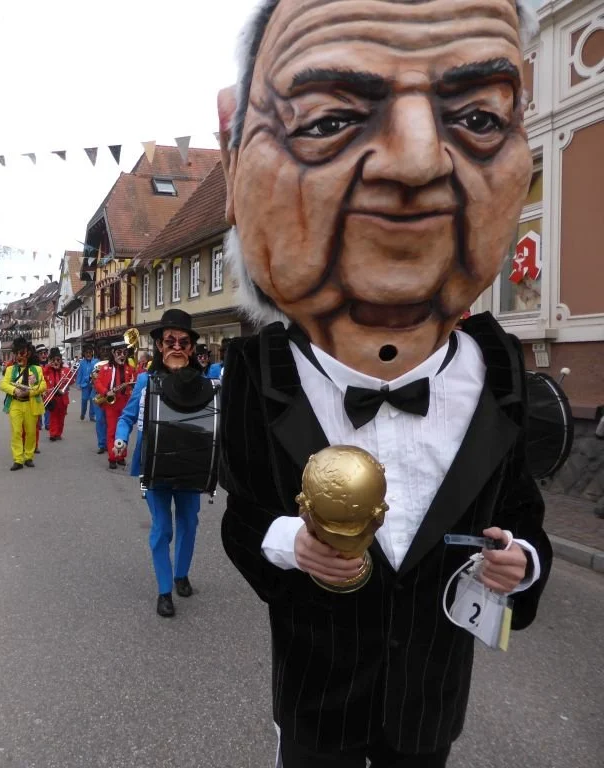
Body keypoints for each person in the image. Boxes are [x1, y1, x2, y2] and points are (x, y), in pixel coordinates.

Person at [216, 2, 551, 765]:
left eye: (478, 117)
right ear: (234, 163)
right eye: (331, 119)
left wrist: (521, 562)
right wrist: (292, 544)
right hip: (316, 705)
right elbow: (244, 520)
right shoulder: (259, 372)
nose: (416, 161)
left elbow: (522, 512)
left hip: (429, 709)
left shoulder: (498, 368)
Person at [115, 309, 204, 618]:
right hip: (155, 464)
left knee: (189, 522)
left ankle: (181, 573)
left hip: (192, 464)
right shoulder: (145, 380)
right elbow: (127, 415)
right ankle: (164, 589)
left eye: (183, 342)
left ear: (191, 348)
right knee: (162, 527)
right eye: (170, 341)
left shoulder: (205, 383)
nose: (176, 347)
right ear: (159, 346)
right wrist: (121, 437)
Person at [0, 337, 46, 470]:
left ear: (28, 354)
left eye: (22, 353)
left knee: (31, 432)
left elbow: (43, 385)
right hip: (15, 404)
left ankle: (29, 457)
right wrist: (15, 391)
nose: (19, 356)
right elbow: (3, 384)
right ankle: (18, 459)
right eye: (17, 353)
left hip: (31, 404)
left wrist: (31, 390)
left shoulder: (37, 369)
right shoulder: (10, 370)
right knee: (16, 432)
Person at [94, 340, 136, 470]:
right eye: (119, 352)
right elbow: (98, 383)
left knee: (125, 431)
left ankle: (121, 456)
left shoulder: (130, 368)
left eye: (125, 352)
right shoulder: (106, 368)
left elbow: (135, 384)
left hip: (126, 403)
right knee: (112, 431)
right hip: (111, 403)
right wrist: (106, 392)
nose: (122, 355)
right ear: (113, 353)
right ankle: (112, 457)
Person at [43, 347, 71, 441]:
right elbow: (42, 374)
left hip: (62, 397)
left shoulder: (65, 370)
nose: (56, 362)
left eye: (58, 360)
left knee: (61, 417)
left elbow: (71, 380)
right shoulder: (48, 369)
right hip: (52, 397)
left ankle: (58, 433)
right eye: (53, 360)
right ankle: (53, 433)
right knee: (53, 417)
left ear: (61, 360)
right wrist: (48, 365)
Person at [91, 341, 110, 454]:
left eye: (107, 350)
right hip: (99, 394)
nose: (105, 353)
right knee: (100, 420)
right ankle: (102, 444)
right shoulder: (96, 364)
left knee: (110, 420)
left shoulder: (114, 364)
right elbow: (93, 380)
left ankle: (109, 443)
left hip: (111, 395)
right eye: (103, 351)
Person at [76, 343, 98, 421]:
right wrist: (78, 384)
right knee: (84, 399)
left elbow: (98, 372)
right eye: (86, 353)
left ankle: (92, 416)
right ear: (84, 354)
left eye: (89, 352)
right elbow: (79, 374)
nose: (88, 354)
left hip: (93, 384)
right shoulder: (82, 363)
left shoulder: (96, 361)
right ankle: (83, 413)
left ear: (92, 353)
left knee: (93, 399)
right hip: (84, 384)